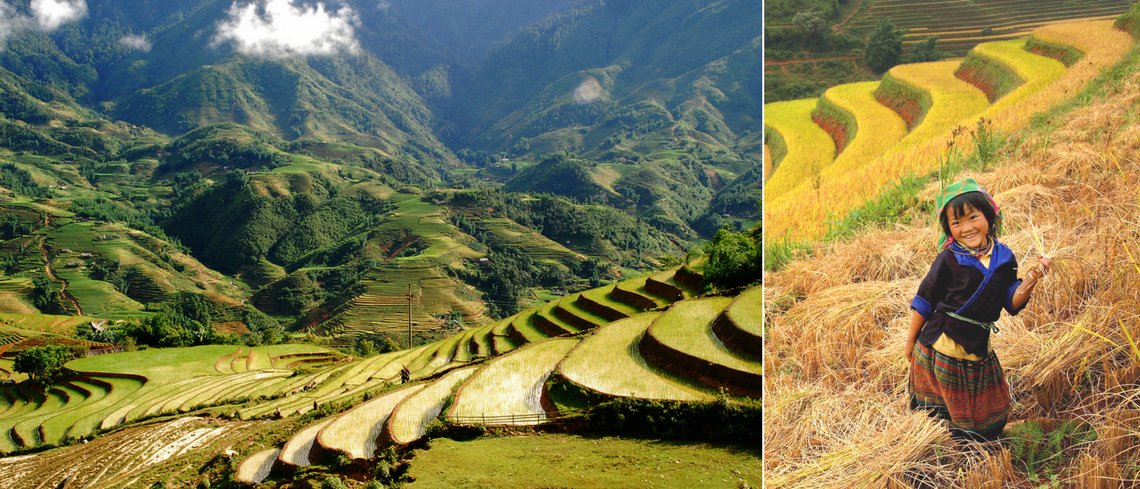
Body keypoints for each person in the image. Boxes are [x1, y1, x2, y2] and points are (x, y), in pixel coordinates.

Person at [906, 178, 1050, 442]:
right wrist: (910, 342)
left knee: (988, 413)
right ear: (948, 228)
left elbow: (1011, 301)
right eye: (956, 223)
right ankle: (956, 452)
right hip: (943, 343)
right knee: (946, 413)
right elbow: (925, 300)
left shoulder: (1004, 257)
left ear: (989, 215)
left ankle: (984, 444)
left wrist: (1032, 278)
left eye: (973, 217)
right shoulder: (948, 258)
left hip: (978, 344)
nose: (967, 228)